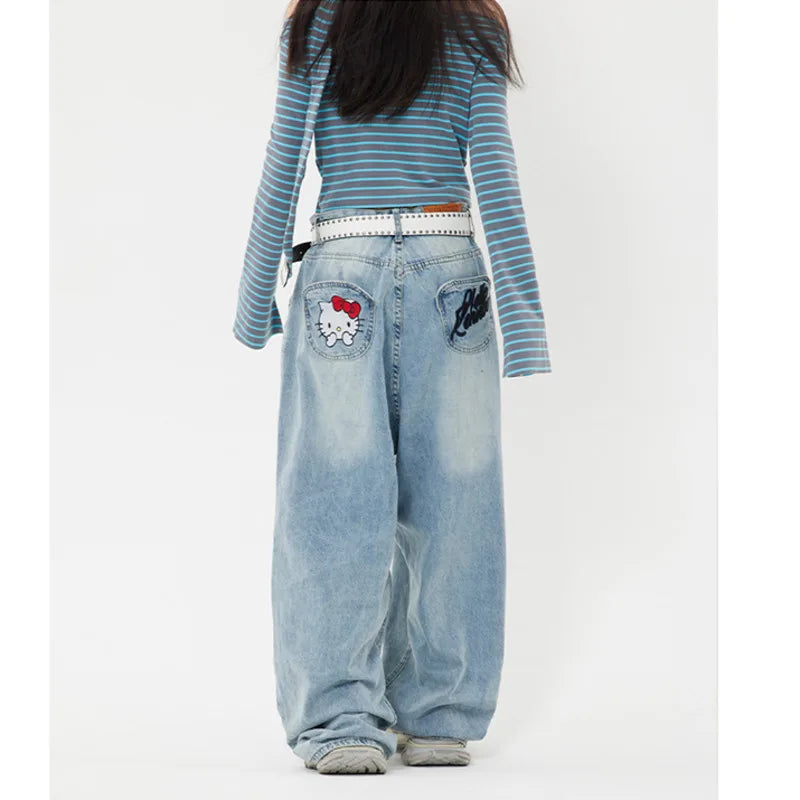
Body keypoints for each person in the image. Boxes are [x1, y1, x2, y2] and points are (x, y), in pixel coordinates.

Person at [233, 0, 551, 775]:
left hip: (344, 266)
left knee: (332, 502)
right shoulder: (475, 23)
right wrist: (523, 322)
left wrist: (254, 298)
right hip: (452, 271)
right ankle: (440, 716)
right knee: (458, 503)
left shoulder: (318, 20)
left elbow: (285, 160)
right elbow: (494, 169)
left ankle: (340, 720)